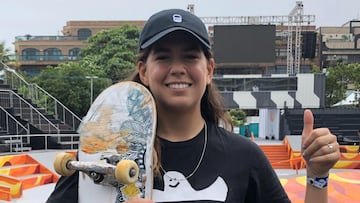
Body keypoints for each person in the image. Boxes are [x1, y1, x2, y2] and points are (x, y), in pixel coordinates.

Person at [47, 8, 340, 203]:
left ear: (209, 69)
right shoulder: (106, 159)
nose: (178, 68)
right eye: (163, 57)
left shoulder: (243, 157)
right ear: (144, 70)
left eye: (190, 57)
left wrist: (317, 175)